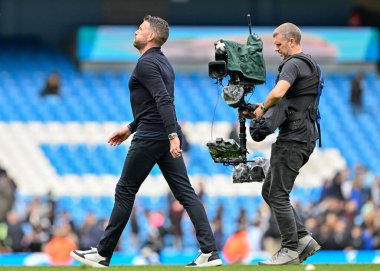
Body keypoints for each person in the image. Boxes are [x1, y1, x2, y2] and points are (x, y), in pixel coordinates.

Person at [70, 15, 222, 268]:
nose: (135, 32)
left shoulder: (145, 64)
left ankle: (103, 253)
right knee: (185, 193)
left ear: (151, 36)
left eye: (140, 29)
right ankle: (210, 251)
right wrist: (131, 128)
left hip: (153, 136)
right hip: (160, 133)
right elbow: (155, 105)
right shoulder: (164, 63)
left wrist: (171, 136)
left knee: (125, 190)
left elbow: (163, 101)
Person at [244, 22, 322, 265]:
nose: (276, 49)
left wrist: (263, 108)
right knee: (269, 191)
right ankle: (302, 239)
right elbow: (288, 103)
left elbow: (278, 93)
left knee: (277, 194)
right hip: (301, 136)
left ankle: (290, 249)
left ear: (291, 41)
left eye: (278, 44)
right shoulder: (308, 64)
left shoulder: (294, 63)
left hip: (295, 138)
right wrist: (260, 110)